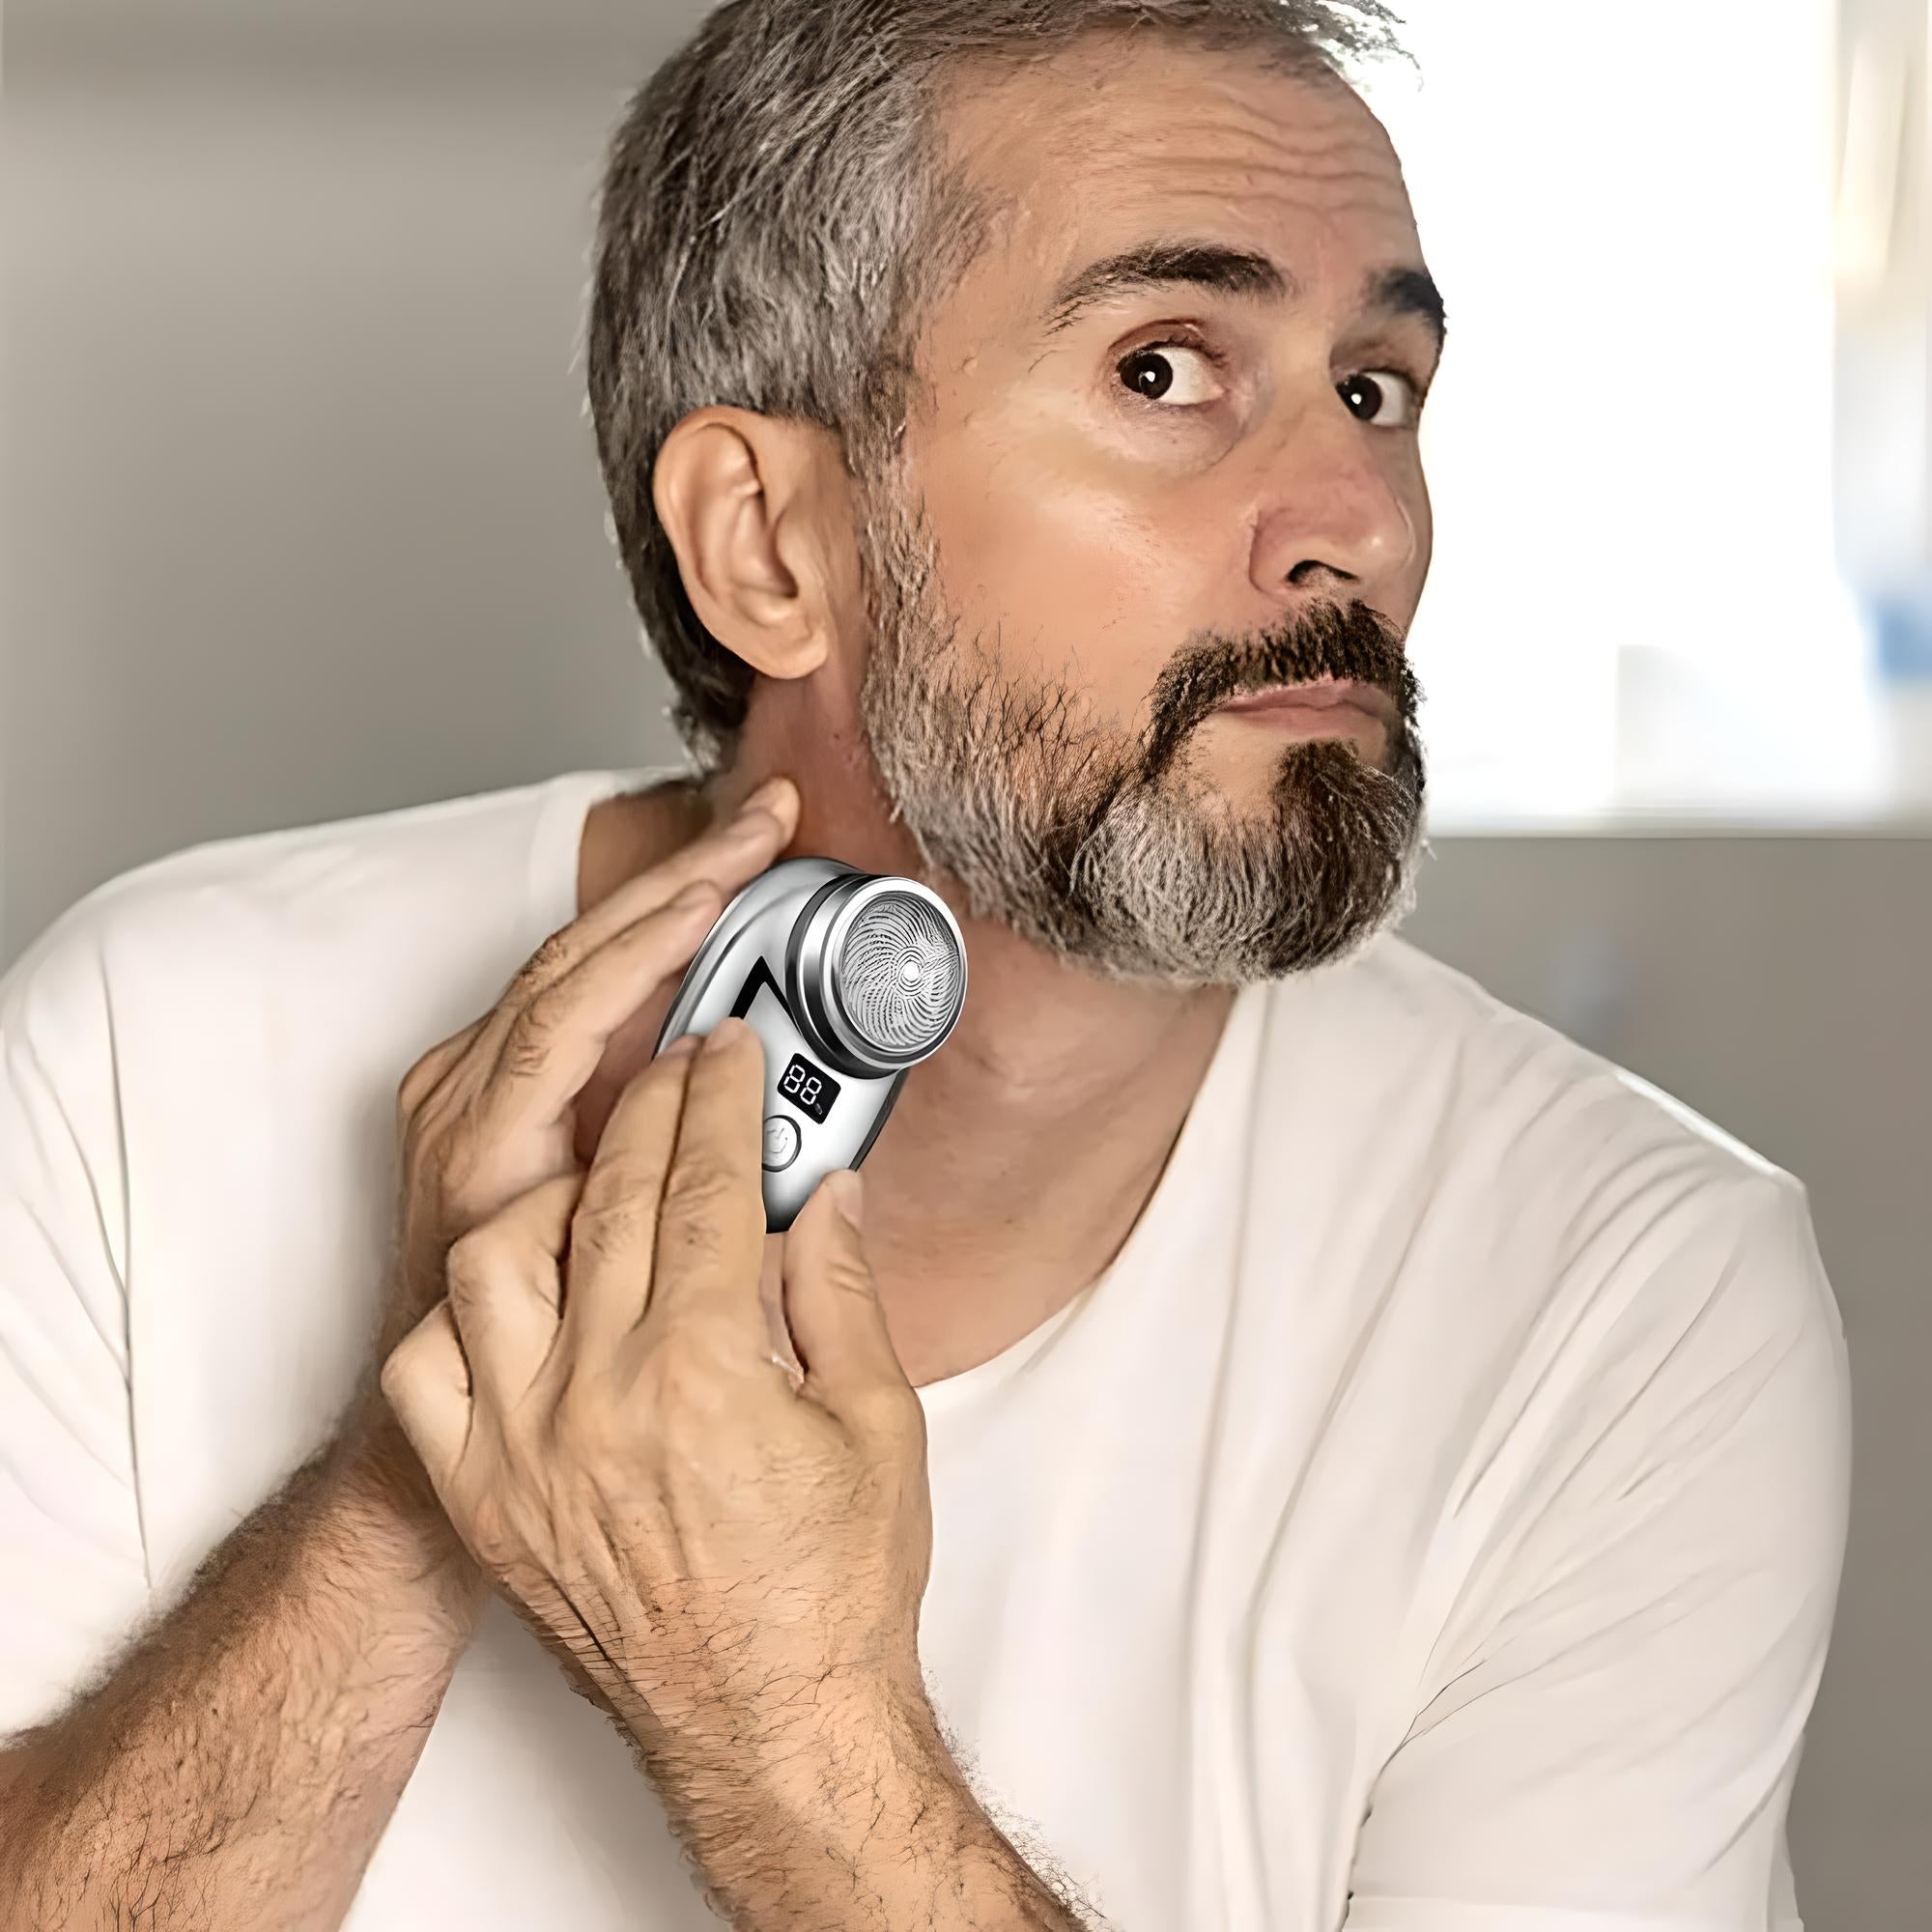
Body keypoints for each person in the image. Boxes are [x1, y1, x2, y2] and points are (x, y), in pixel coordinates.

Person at [0, 2, 1852, 1927]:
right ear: (770, 543)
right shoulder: (154, 1053)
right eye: (1164, 368)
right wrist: (416, 1470)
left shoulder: (1620, 1296)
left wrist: (788, 1719)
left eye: (1374, 389)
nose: (1358, 524)